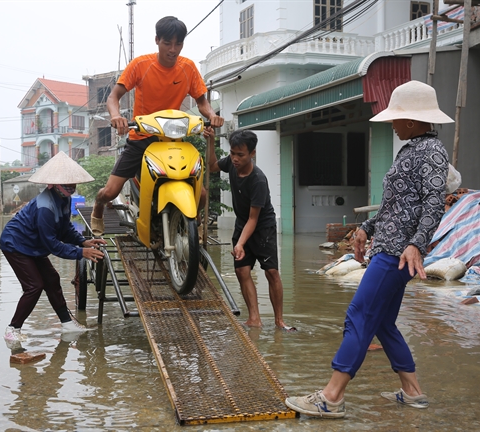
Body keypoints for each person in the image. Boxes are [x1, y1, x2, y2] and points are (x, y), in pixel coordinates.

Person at [285, 80, 452, 418]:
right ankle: (413, 391)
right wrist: (365, 227)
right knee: (382, 323)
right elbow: (395, 206)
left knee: (359, 315)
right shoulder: (411, 148)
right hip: (389, 247)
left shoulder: (432, 152)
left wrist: (416, 244)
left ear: (411, 120)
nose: (391, 123)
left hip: (397, 254)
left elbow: (435, 204)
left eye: (395, 118)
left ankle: (331, 397)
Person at [90, 16, 224, 235]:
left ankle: (187, 224)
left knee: (201, 196)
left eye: (178, 44)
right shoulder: (141, 65)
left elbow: (202, 102)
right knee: (111, 192)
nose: (173, 49)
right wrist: (115, 116)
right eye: (167, 43)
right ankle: (98, 207)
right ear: (157, 40)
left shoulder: (188, 68)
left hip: (172, 139)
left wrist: (212, 115)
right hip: (141, 138)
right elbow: (114, 97)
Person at [1, 151, 106, 346]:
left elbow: (64, 229)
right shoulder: (45, 207)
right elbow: (52, 244)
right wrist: (81, 252)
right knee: (34, 286)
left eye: (73, 184)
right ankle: (13, 329)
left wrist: (82, 242)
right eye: (66, 185)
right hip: (15, 243)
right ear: (53, 185)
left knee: (51, 279)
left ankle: (67, 323)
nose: (71, 188)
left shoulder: (64, 199)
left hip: (33, 245)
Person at [206, 129, 291, 330]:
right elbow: (211, 167)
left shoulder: (258, 180)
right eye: (233, 153)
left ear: (252, 153)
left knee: (271, 272)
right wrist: (210, 141)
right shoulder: (231, 163)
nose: (235, 159)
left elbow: (255, 218)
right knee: (242, 270)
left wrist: (241, 243)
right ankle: (254, 318)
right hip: (242, 224)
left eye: (240, 155)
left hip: (263, 227)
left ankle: (279, 320)